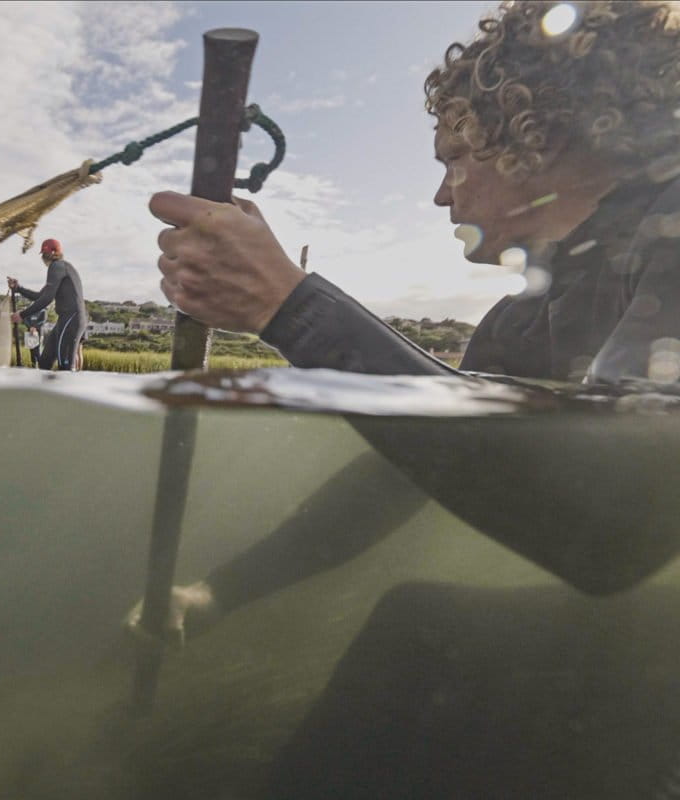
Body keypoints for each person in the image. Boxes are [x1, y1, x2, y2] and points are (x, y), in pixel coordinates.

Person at [128, 0, 680, 696]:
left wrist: (286, 307)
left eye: (454, 157)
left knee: (420, 638)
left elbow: (615, 536)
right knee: (419, 628)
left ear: (546, 134)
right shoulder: (521, 324)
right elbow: (399, 476)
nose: (440, 195)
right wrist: (218, 592)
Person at [8, 238, 87, 371]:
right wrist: (18, 288)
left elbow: (47, 299)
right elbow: (40, 296)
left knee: (65, 368)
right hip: (65, 320)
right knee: (44, 363)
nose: (43, 258)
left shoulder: (56, 266)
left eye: (44, 255)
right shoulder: (61, 268)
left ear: (50, 254)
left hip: (71, 320)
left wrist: (22, 314)